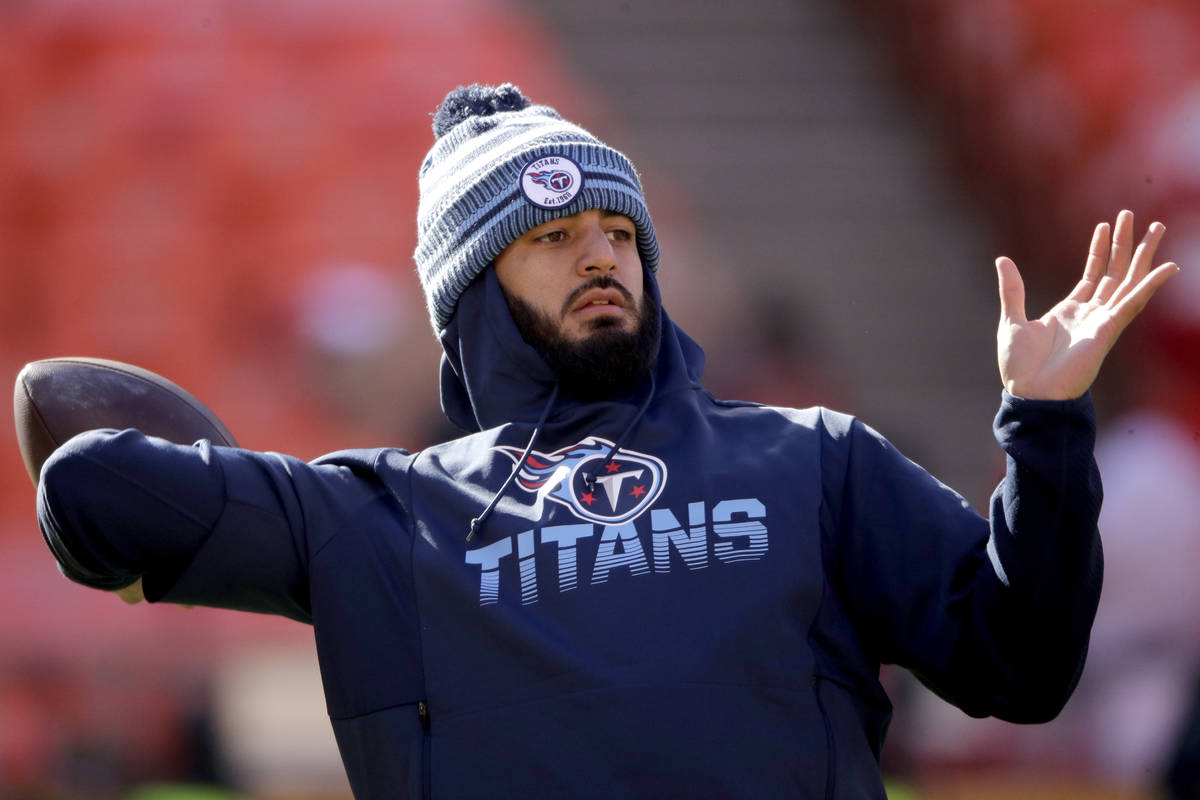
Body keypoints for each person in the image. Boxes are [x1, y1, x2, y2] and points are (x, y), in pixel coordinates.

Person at [35, 83, 1178, 799]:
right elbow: (90, 490)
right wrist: (260, 506)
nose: (597, 256)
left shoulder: (814, 458)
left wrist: (1045, 424)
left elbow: (1021, 668)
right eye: (550, 238)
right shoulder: (382, 514)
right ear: (473, 288)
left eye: (613, 231)